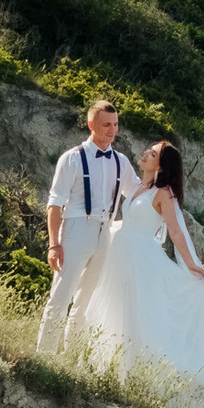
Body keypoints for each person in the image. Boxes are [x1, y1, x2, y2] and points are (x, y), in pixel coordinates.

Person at [69, 140, 204, 408]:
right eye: (149, 151)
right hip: (121, 250)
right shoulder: (141, 187)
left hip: (140, 256)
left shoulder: (165, 194)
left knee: (138, 314)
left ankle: (142, 377)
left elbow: (175, 232)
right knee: (117, 308)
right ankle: (108, 368)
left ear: (161, 165)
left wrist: (191, 264)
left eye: (152, 154)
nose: (146, 154)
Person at [38, 99, 140, 357]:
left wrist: (164, 183)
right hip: (76, 229)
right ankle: (44, 358)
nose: (113, 130)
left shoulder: (121, 162)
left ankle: (71, 359)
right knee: (60, 298)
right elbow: (55, 203)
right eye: (107, 124)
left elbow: (137, 193)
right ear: (91, 124)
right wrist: (54, 243)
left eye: (116, 124)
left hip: (105, 232)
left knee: (86, 301)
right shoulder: (72, 158)